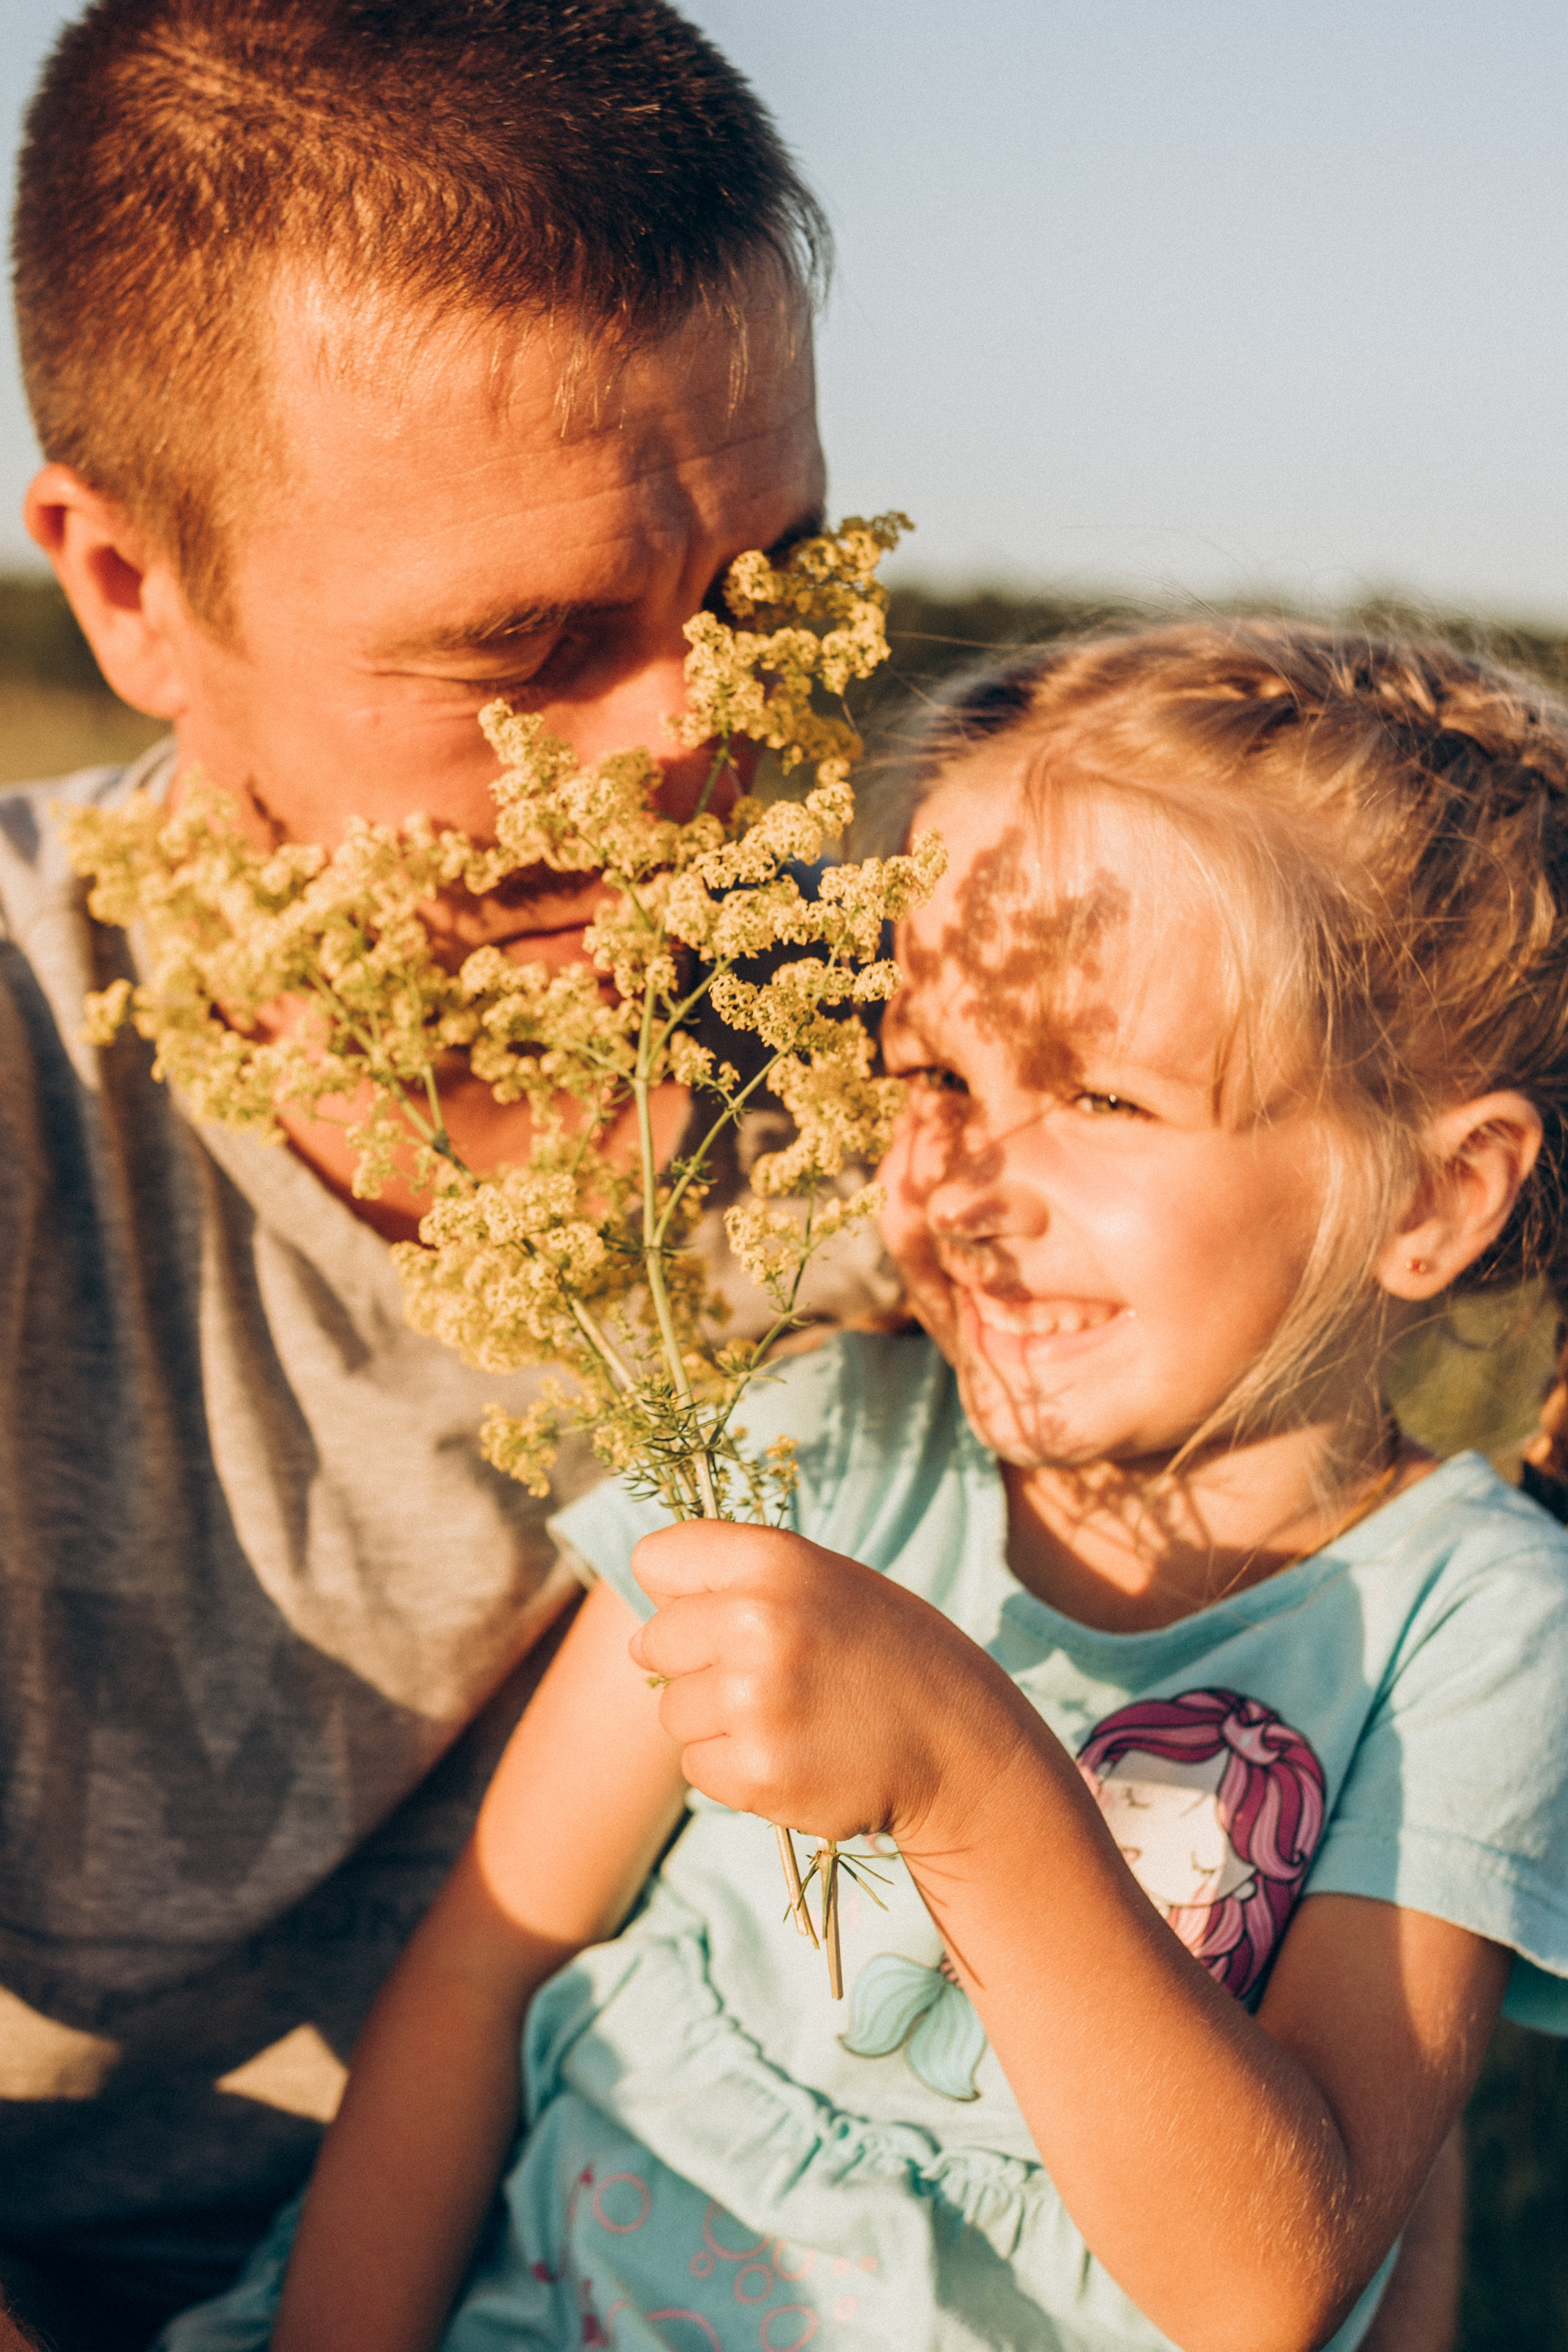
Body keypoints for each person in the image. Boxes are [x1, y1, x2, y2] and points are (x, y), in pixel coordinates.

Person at [154, 622, 1568, 2352]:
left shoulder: (1477, 1631)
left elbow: (1272, 2282)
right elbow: (488, 1959)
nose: (966, 1181)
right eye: (932, 1074)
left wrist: (968, 1777)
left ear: (1434, 1198)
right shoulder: (819, 1449)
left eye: (1102, 1096)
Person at [0, 4, 886, 2343]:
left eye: (767, 592)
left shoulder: (956, 1042)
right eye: (529, 649)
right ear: (129, 589)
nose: (694, 744)